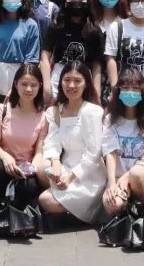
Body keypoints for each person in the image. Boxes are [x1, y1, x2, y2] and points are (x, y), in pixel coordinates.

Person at [37, 61, 107, 225]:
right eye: (67, 80)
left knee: (46, 200)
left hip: (89, 174)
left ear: (86, 84)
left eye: (77, 81)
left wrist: (70, 177)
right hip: (66, 166)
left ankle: (84, 213)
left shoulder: (93, 111)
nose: (71, 85)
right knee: (42, 170)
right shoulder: (55, 111)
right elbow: (52, 142)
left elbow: (94, 153)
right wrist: (55, 163)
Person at [0, 64, 48, 213]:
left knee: (29, 186)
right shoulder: (2, 109)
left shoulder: (43, 117)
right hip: (4, 164)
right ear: (16, 84)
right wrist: (6, 157)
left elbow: (39, 152)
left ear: (40, 86)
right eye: (24, 84)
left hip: (26, 168)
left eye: (33, 85)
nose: (29, 89)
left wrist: (32, 168)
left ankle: (18, 217)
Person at [101, 68, 144, 216]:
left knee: (136, 173)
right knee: (112, 204)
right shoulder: (110, 119)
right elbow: (110, 153)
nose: (130, 92)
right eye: (126, 87)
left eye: (135, 88)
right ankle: (126, 215)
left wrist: (127, 176)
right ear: (118, 91)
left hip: (143, 176)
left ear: (142, 91)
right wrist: (112, 183)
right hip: (118, 176)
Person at [40, 0, 104, 103]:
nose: (76, 3)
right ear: (65, 1)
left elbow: (97, 65)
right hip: (59, 76)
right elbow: (45, 56)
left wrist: (96, 92)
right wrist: (47, 86)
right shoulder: (56, 26)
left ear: (87, 2)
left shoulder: (94, 31)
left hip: (84, 77)